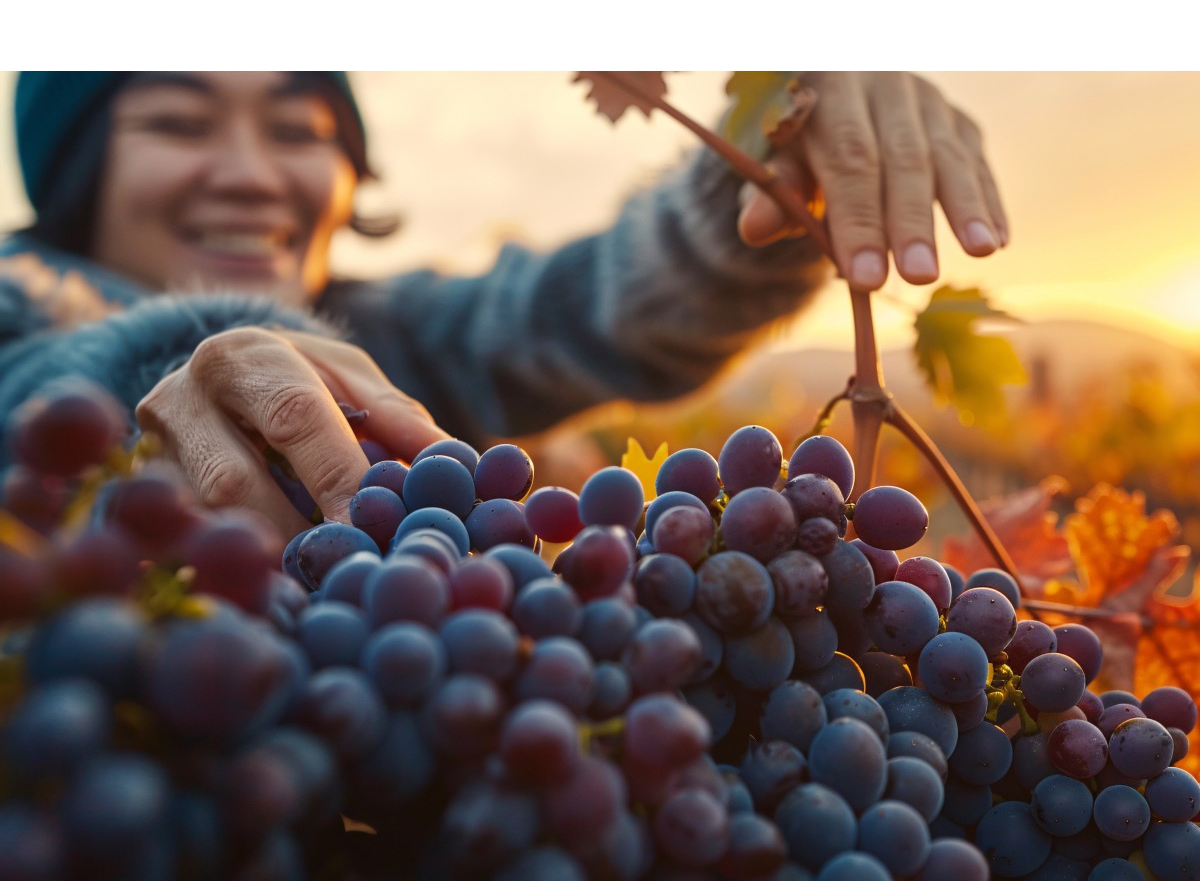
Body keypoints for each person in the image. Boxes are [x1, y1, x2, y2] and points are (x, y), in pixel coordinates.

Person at [0, 71, 1008, 540]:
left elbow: (578, 309)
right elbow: (33, 391)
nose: (253, 176)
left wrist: (771, 179)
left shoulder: (391, 333)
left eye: (299, 132)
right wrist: (189, 362)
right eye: (179, 123)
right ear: (80, 171)